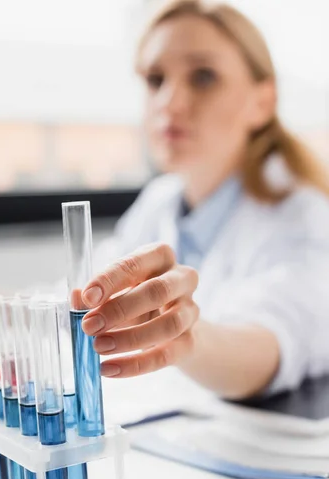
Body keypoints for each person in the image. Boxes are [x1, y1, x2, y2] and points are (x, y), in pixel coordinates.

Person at [79, 0, 329, 399]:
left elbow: (274, 342)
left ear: (262, 103)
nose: (169, 102)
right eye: (155, 79)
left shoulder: (305, 215)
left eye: (203, 77)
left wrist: (186, 334)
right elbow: (78, 289)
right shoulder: (161, 200)